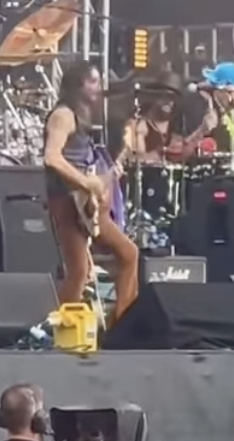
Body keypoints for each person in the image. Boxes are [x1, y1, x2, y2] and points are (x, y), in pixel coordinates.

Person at [44, 61, 139, 324]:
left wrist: (106, 177)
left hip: (86, 204)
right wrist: (87, 183)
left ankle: (122, 324)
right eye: (94, 82)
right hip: (69, 202)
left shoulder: (82, 117)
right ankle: (60, 329)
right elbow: (52, 157)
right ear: (79, 85)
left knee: (128, 255)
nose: (99, 87)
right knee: (79, 272)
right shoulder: (63, 115)